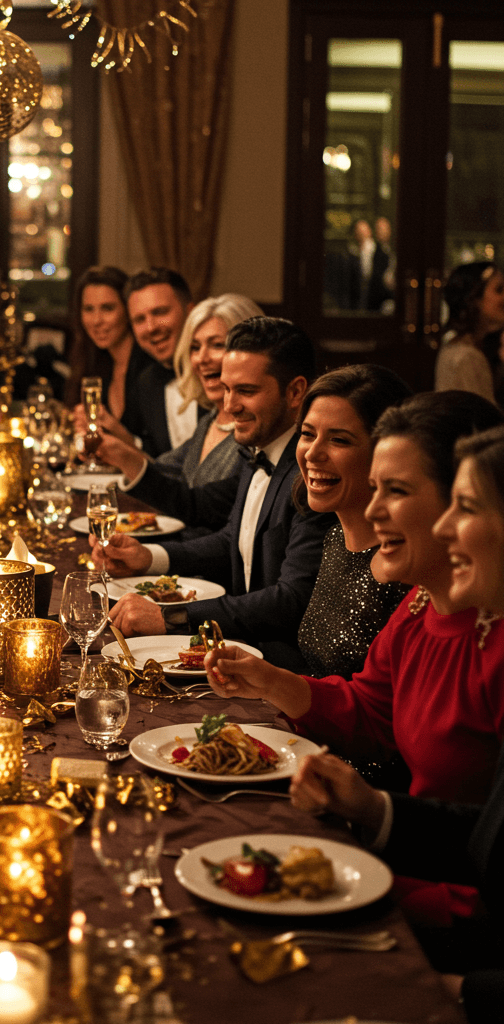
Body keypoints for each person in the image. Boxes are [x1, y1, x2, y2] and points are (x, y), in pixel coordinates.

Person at [288, 426, 504, 1023]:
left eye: (465, 507)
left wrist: (452, 988)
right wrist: (371, 810)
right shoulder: (418, 604)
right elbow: (486, 838)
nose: (443, 530)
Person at [205, 391, 504, 803]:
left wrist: (377, 812)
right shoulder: (420, 604)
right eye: (375, 488)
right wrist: (270, 681)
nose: (375, 509)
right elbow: (372, 713)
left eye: (396, 491)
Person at [99, 316, 335, 667]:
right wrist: (149, 557)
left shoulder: (311, 472)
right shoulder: (260, 450)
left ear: (295, 392)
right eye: (226, 389)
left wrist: (171, 617)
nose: (229, 406)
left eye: (246, 391)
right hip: (234, 651)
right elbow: (231, 540)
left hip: (280, 667)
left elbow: (289, 600)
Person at [94, 294, 263, 532]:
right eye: (195, 347)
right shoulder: (209, 422)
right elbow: (162, 472)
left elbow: (197, 507)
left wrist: (124, 457)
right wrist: (114, 448)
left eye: (217, 345)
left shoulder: (256, 434)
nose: (202, 358)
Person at [294, 364, 413, 678]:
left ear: (384, 453)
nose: (312, 453)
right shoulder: (334, 538)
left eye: (339, 440)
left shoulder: (405, 566)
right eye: (307, 434)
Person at [105, 267, 195, 458]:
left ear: (190, 312)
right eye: (139, 319)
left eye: (160, 312)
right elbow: (159, 460)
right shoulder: (148, 381)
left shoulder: (216, 373)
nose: (151, 327)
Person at [64, 266, 153, 435]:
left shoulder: (149, 367)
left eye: (107, 308)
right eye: (89, 309)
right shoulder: (93, 364)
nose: (96, 321)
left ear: (128, 310)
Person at [435, 261, 504, 403]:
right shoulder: (466, 357)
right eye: (499, 290)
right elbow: (486, 420)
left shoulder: (477, 347)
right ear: (474, 298)